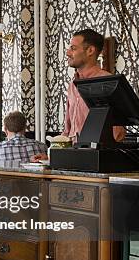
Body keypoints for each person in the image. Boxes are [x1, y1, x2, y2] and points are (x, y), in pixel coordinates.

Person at [31, 29, 125, 161]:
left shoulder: (108, 82)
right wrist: (50, 156)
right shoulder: (72, 85)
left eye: (73, 48)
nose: (68, 53)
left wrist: (92, 154)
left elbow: (117, 133)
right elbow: (68, 133)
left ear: (90, 51)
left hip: (96, 161)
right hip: (75, 160)